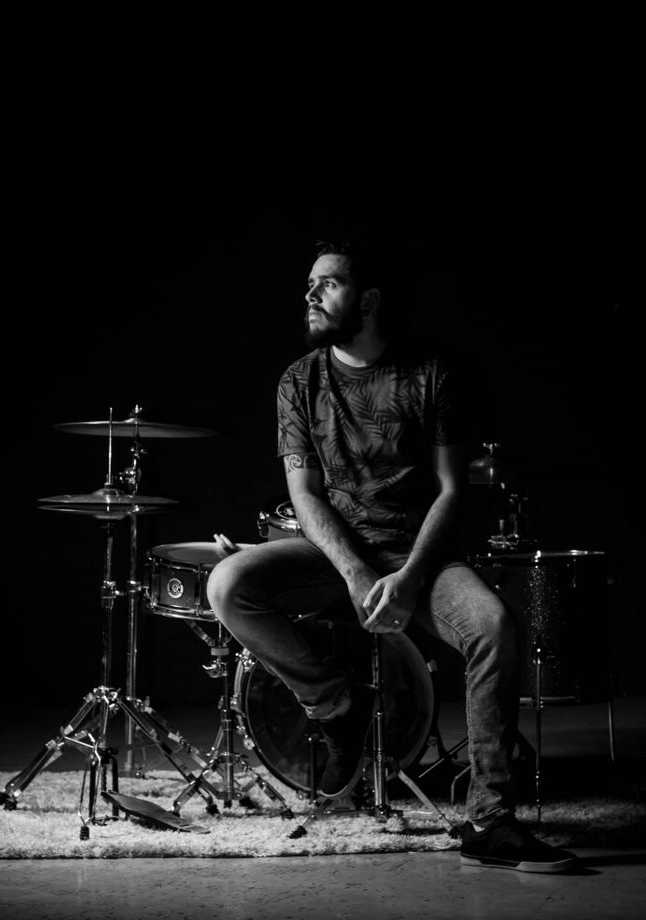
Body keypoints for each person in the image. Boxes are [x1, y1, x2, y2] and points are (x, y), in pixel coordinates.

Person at [206, 239, 576, 873]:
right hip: (332, 552)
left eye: (328, 283)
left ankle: (489, 818)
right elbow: (304, 495)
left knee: (493, 627)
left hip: (419, 557)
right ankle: (337, 707)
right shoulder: (300, 381)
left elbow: (455, 490)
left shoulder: (433, 374)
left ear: (369, 299)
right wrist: (353, 572)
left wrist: (407, 579)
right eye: (309, 283)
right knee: (226, 583)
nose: (311, 294)